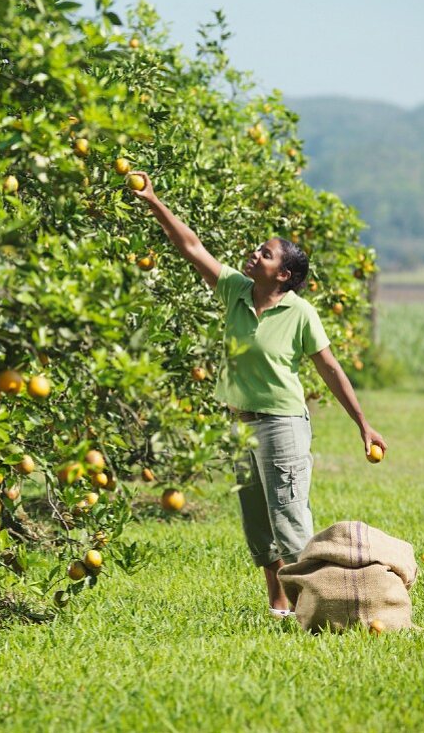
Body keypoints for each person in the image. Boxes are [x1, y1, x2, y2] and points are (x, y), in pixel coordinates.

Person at [132, 171, 387, 617]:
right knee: (257, 521)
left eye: (264, 254)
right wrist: (153, 199)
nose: (254, 254)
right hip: (239, 423)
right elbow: (191, 247)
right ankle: (279, 603)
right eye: (257, 249)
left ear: (283, 273)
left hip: (282, 424)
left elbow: (330, 368)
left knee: (288, 517)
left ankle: (315, 605)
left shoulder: (300, 312)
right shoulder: (234, 289)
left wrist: (363, 423)